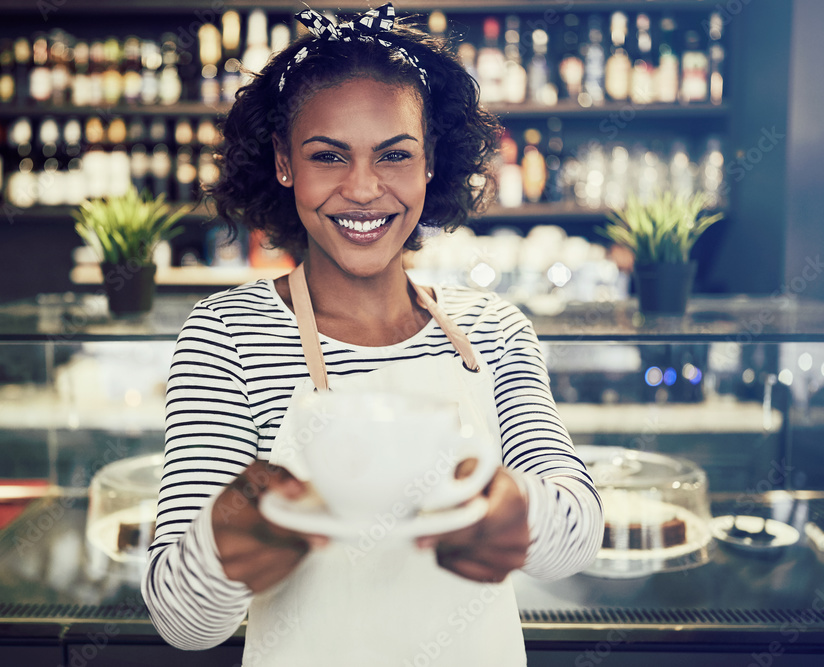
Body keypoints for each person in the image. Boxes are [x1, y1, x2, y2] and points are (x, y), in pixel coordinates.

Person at [142, 5, 603, 665]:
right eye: (328, 156)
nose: (363, 189)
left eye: (394, 155)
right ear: (283, 162)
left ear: (430, 164)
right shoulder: (226, 337)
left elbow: (579, 530)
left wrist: (520, 514)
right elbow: (183, 623)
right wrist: (226, 541)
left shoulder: (494, 330)